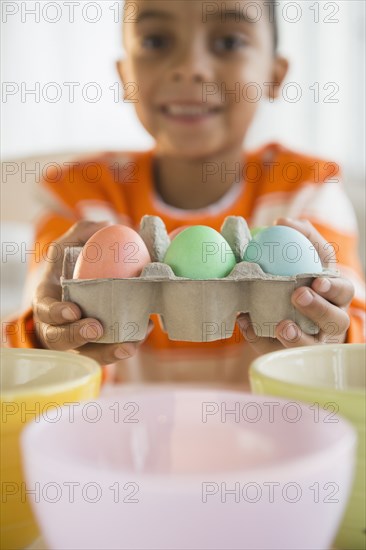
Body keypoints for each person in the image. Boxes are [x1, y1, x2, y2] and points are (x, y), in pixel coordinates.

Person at [5, 0, 365, 386]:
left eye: (228, 42)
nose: (190, 68)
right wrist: (46, 336)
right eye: (157, 41)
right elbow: (29, 348)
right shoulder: (76, 195)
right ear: (125, 76)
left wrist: (331, 334)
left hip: (270, 438)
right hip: (121, 438)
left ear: (274, 76)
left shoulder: (306, 189)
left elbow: (353, 329)